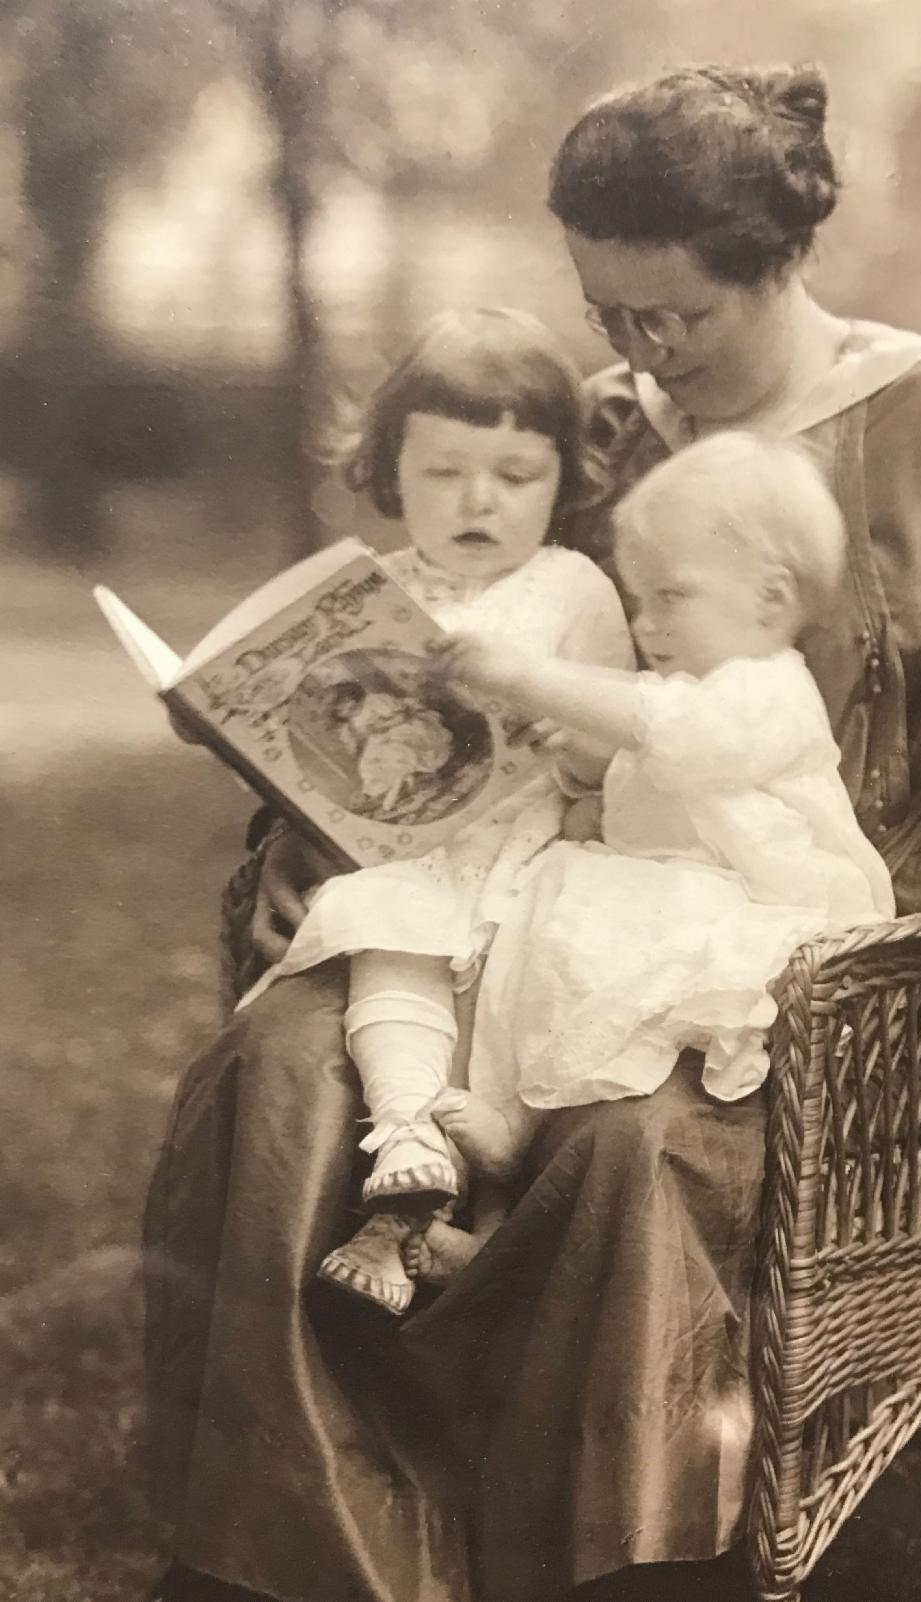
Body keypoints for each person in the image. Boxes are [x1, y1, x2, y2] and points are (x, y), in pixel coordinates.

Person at [145, 63, 921, 1602]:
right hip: (556, 896)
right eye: (606, 312)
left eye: (673, 316)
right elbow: (508, 655)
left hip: (822, 974)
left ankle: (600, 1563)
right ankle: (292, 1554)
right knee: (291, 1057)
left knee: (628, 1141)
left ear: (780, 263)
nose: (636, 353)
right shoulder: (604, 432)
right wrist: (334, 762)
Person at [233, 303, 634, 1316]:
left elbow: (618, 747)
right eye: (444, 471)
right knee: (385, 922)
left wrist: (563, 731)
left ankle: (453, 1221)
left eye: (516, 476)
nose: (478, 500)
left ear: (564, 480)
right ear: (390, 471)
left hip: (531, 848)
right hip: (410, 847)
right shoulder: (372, 590)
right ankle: (406, 1141)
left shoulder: (573, 590)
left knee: (532, 981)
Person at [428, 432, 893, 1190]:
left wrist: (528, 677)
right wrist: (580, 758)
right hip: (680, 897)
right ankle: (501, 1161)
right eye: (638, 602)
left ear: (772, 599)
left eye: (670, 597)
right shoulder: (696, 696)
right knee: (537, 912)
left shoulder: (770, 691)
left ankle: (515, 1141)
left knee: (592, 929)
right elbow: (647, 779)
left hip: (766, 913)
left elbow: (680, 735)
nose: (645, 626)